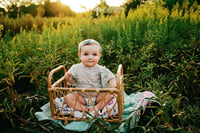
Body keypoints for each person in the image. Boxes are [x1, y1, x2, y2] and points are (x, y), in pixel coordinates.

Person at [63, 39, 116, 116]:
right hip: (81, 96)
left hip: (98, 96)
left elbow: (110, 77)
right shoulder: (75, 68)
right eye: (86, 54)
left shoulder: (100, 69)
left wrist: (113, 84)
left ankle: (97, 107)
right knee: (68, 98)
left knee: (110, 96)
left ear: (99, 56)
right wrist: (68, 77)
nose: (90, 57)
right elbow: (71, 82)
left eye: (94, 54)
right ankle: (83, 108)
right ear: (80, 55)